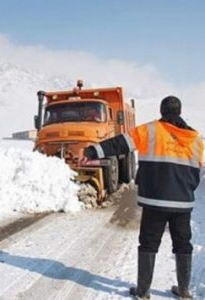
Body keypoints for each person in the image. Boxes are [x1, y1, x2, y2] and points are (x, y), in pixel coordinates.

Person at [82, 96, 203, 299]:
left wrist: (93, 151)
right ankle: (183, 291)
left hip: (155, 201)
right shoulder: (196, 138)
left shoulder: (150, 130)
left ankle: (144, 292)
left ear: (161, 110)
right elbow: (197, 169)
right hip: (183, 202)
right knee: (183, 244)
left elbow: (120, 144)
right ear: (180, 111)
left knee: (148, 243)